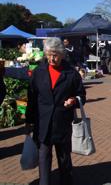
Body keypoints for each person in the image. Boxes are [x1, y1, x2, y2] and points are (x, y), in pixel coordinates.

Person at [25, 37, 86, 185]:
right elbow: (32, 98)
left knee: (64, 157)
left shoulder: (71, 74)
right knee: (44, 156)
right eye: (49, 54)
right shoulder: (38, 72)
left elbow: (82, 95)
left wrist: (74, 100)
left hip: (62, 122)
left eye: (55, 54)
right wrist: (29, 121)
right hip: (43, 122)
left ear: (62, 54)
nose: (52, 58)